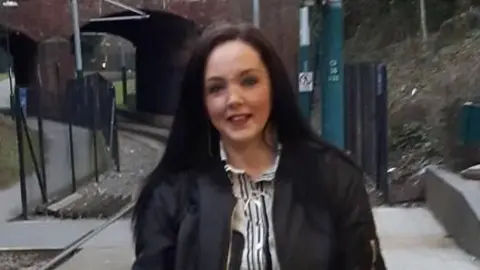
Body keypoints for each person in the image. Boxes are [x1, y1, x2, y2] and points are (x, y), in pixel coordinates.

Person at [131, 22, 387, 270]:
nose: (234, 99)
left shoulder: (334, 178)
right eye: (216, 88)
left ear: (273, 87)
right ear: (202, 102)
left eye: (249, 81)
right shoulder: (169, 196)